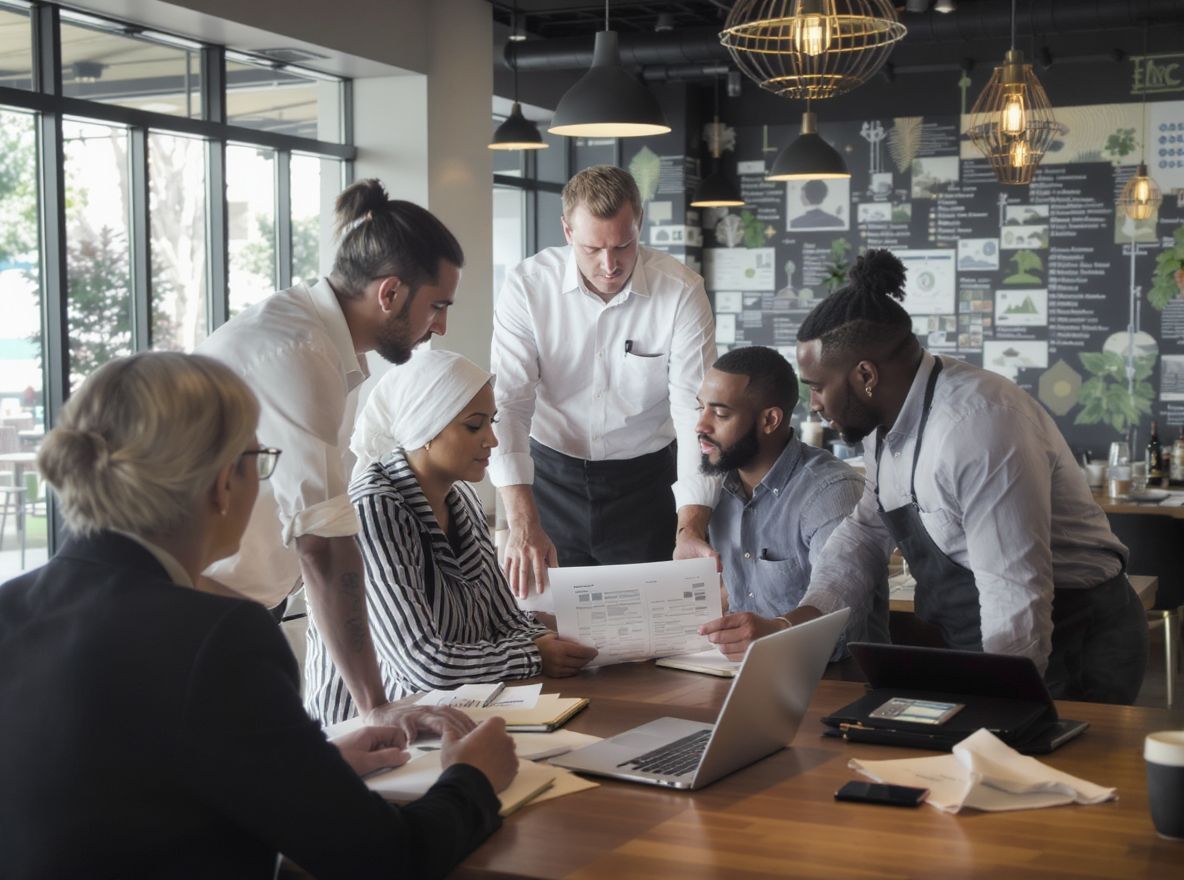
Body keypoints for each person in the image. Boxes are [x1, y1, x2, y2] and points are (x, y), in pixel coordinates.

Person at [0, 352, 517, 878]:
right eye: (260, 458)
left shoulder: (10, 610)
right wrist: (473, 777)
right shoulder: (218, 636)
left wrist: (311, 767)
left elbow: (126, 792)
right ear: (225, 483)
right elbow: (387, 859)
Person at [789, 249, 1147, 704]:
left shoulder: (977, 425)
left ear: (865, 375)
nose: (814, 405)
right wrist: (795, 623)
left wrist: (1003, 704)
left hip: (1070, 641)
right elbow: (864, 534)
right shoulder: (885, 426)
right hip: (979, 638)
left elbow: (1015, 590)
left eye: (817, 387)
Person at [199, 179, 465, 728]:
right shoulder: (299, 354)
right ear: (389, 293)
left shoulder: (316, 341)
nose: (441, 325)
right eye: (437, 306)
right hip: (193, 612)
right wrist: (377, 707)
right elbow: (321, 545)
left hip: (231, 610)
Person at [307, 350, 597, 721]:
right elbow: (424, 664)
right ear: (425, 429)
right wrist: (535, 654)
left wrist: (543, 639)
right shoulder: (375, 510)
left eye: (491, 423)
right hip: (371, 733)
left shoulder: (462, 498)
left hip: (455, 711)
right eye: (474, 426)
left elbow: (504, 617)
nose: (492, 440)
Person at [490, 165, 718, 596]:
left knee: (649, 633)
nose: (610, 265)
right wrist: (521, 520)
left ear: (640, 226)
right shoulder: (526, 287)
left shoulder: (682, 291)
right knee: (548, 631)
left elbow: (696, 415)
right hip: (550, 479)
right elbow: (509, 404)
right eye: (593, 248)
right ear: (567, 231)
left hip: (646, 486)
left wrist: (691, 526)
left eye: (624, 245)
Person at [694, 346, 886, 661]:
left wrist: (777, 630)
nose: (700, 426)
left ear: (770, 420)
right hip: (741, 672)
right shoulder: (712, 489)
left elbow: (841, 619)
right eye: (699, 408)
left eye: (720, 413)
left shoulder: (830, 492)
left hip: (833, 679)